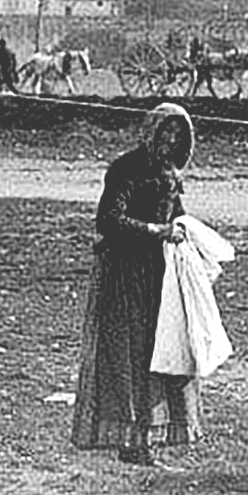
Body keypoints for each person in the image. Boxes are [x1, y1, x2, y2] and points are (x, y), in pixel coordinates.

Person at [72, 102, 201, 465]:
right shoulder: (126, 168)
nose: (171, 139)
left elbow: (175, 214)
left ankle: (147, 438)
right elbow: (108, 220)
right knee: (132, 353)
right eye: (166, 131)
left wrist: (189, 236)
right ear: (152, 131)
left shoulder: (169, 171)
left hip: (160, 272)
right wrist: (157, 231)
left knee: (163, 349)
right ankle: (131, 442)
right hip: (127, 272)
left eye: (178, 133)